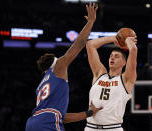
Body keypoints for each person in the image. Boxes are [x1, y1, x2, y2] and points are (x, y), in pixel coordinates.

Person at [26, 3, 102, 131]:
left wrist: (88, 113)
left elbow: (62, 117)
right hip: (47, 121)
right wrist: (91, 22)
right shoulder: (58, 66)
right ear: (55, 62)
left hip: (33, 122)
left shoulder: (40, 86)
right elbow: (79, 44)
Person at [84, 35, 137, 130]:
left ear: (124, 63)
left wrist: (128, 41)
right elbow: (90, 45)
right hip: (90, 127)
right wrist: (114, 38)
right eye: (111, 56)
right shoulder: (99, 74)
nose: (112, 58)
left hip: (113, 128)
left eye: (116, 57)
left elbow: (133, 50)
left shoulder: (126, 80)